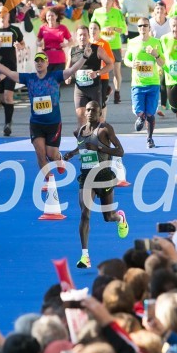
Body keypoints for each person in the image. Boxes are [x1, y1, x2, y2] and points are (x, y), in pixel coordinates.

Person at [0, 49, 89, 184]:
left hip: (53, 123)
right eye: (37, 61)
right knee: (41, 154)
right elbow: (8, 72)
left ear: (47, 63)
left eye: (42, 61)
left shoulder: (55, 76)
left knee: (51, 154)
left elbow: (71, 70)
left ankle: (58, 158)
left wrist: (85, 57)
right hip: (36, 124)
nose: (39, 63)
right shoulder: (29, 78)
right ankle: (49, 180)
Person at [62, 101, 128, 269]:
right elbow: (82, 147)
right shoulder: (79, 131)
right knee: (85, 213)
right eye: (88, 110)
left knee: (108, 217)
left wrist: (99, 148)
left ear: (100, 114)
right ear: (85, 112)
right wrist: (71, 153)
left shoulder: (105, 129)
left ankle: (120, 218)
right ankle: (85, 256)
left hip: (104, 176)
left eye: (94, 110)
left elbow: (120, 151)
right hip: (86, 177)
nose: (90, 112)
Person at [124, 17, 164, 148]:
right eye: (140, 26)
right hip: (138, 84)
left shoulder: (156, 42)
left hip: (153, 83)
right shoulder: (132, 42)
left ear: (149, 27)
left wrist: (156, 54)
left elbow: (162, 63)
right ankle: (140, 117)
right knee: (139, 111)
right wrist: (132, 64)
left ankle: (149, 138)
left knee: (150, 113)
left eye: (145, 25)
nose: (143, 28)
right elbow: (126, 60)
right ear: (137, 28)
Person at [0, 6, 25, 136]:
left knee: (8, 96)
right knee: (3, 97)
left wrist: (19, 46)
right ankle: (8, 116)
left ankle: (8, 124)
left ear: (8, 15)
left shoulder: (15, 30)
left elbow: (23, 44)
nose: (2, 16)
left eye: (4, 14)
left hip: (10, 68)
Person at [69, 26, 114, 129]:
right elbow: (68, 69)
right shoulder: (72, 51)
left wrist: (98, 73)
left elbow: (110, 64)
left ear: (89, 36)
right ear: (76, 36)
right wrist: (68, 77)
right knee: (80, 115)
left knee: (97, 117)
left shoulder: (97, 49)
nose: (82, 37)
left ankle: (101, 136)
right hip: (80, 89)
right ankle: (83, 138)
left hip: (94, 88)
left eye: (85, 35)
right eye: (80, 35)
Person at [90, 0, 126, 104]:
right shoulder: (97, 12)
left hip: (114, 45)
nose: (107, 1)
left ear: (112, 1)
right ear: (101, 1)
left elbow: (123, 29)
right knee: (100, 69)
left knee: (116, 71)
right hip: (101, 45)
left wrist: (114, 28)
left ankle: (117, 91)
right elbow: (92, 27)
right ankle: (104, 89)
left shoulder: (117, 12)